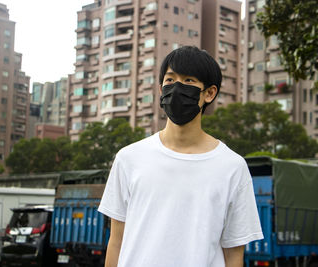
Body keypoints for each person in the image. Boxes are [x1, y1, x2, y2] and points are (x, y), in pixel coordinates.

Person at [98, 46, 263, 267]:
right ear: (160, 88)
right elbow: (116, 240)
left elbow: (233, 255)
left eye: (188, 81)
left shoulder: (232, 166)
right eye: (170, 80)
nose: (176, 88)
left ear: (210, 93)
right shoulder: (129, 158)